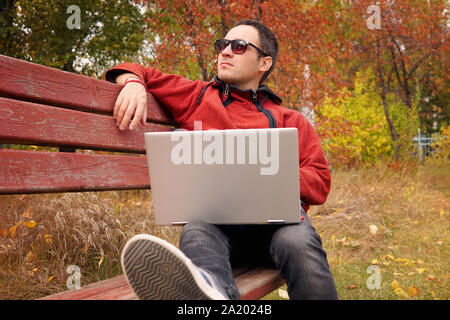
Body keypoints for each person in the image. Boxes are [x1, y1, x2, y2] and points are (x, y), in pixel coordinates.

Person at [104, 19, 338, 300]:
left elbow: (320, 182)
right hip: (217, 230)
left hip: (279, 230)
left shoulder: (292, 121)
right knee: (197, 230)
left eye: (238, 47)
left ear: (264, 63)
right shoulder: (197, 96)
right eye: (222, 45)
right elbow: (136, 70)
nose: (225, 51)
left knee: (299, 241)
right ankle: (212, 292)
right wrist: (132, 82)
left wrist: (268, 172)